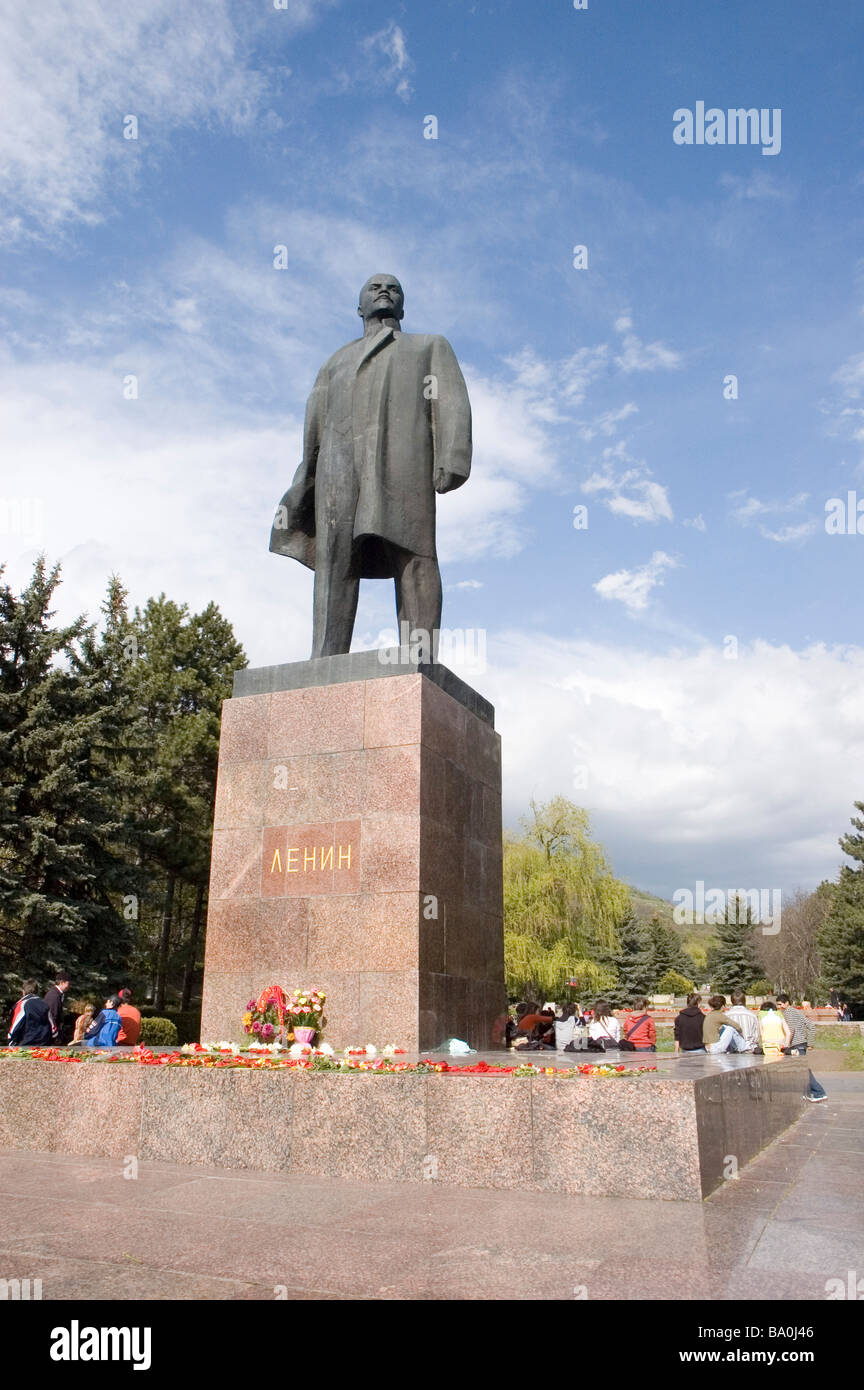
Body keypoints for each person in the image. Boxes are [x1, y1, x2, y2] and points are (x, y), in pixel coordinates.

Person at [270, 274, 472, 657]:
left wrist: (453, 455)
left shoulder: (428, 346)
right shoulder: (335, 362)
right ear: (359, 307)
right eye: (374, 288)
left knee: (414, 554)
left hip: (403, 462)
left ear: (402, 305)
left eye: (393, 288)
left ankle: (418, 657)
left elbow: (450, 400)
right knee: (334, 560)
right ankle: (325, 658)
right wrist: (307, 479)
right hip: (338, 470)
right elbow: (313, 426)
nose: (384, 291)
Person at [776, 992, 827, 1103]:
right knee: (802, 1070)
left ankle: (819, 1093)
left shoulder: (789, 1013)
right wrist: (810, 1043)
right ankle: (809, 1093)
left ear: (787, 1003)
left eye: (780, 1004)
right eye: (777, 1005)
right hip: (802, 1044)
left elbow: (791, 1031)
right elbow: (811, 1026)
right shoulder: (797, 1012)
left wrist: (786, 1045)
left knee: (804, 1071)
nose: (778, 1007)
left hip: (796, 1045)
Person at [43, 971, 70, 1043]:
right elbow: (52, 1015)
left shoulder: (58, 994)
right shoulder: (54, 995)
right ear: (62, 982)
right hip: (51, 1033)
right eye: (68, 983)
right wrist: (55, 1033)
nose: (69, 986)